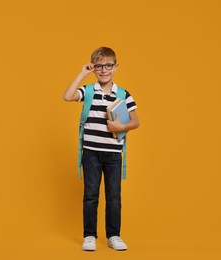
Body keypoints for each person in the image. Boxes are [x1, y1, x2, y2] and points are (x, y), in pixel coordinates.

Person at [63, 47, 140, 251]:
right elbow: (67, 96)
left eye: (108, 66)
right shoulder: (88, 91)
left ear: (116, 67)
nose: (104, 70)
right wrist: (82, 73)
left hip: (114, 154)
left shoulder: (123, 94)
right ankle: (89, 235)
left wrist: (121, 127)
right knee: (90, 194)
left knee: (114, 196)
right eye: (99, 66)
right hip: (91, 153)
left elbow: (135, 121)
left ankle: (114, 235)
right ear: (94, 67)